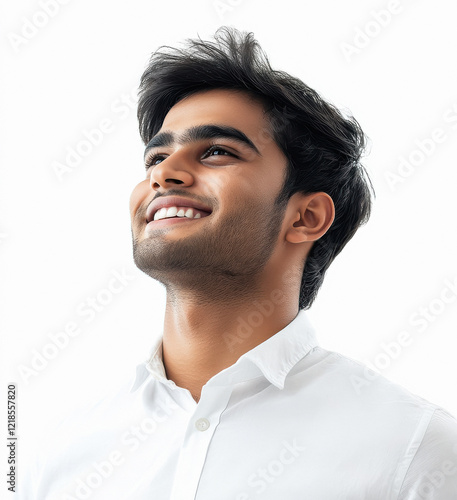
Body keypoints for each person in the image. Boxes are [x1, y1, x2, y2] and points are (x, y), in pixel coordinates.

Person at [21, 27, 457, 499]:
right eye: (157, 156)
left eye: (216, 152)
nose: (163, 174)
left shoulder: (415, 450)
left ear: (307, 216)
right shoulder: (58, 452)